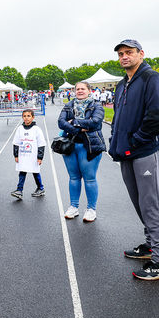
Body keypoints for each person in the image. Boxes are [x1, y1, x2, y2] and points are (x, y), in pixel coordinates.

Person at [109, 39, 159, 281]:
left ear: (141, 54)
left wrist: (136, 140)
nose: (124, 57)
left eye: (129, 53)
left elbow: (156, 116)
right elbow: (118, 115)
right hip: (126, 152)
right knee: (138, 203)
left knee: (152, 204)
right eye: (121, 54)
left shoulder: (150, 77)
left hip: (144, 151)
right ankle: (149, 246)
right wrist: (117, 141)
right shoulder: (122, 84)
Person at [57, 81, 106, 222]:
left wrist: (72, 122)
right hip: (70, 146)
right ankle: (73, 207)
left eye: (82, 89)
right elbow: (61, 122)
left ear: (89, 90)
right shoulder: (69, 105)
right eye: (77, 89)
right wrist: (79, 128)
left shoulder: (96, 105)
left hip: (90, 146)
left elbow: (95, 122)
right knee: (73, 178)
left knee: (89, 178)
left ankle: (91, 209)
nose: (79, 91)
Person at [11, 109, 46, 199]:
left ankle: (40, 188)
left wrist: (40, 157)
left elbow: (41, 144)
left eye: (28, 116)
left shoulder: (36, 129)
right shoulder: (19, 129)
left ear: (33, 117)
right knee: (22, 172)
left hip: (33, 156)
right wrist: (16, 155)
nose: (26, 118)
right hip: (23, 156)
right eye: (24, 116)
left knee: (35, 172)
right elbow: (16, 143)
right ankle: (19, 190)